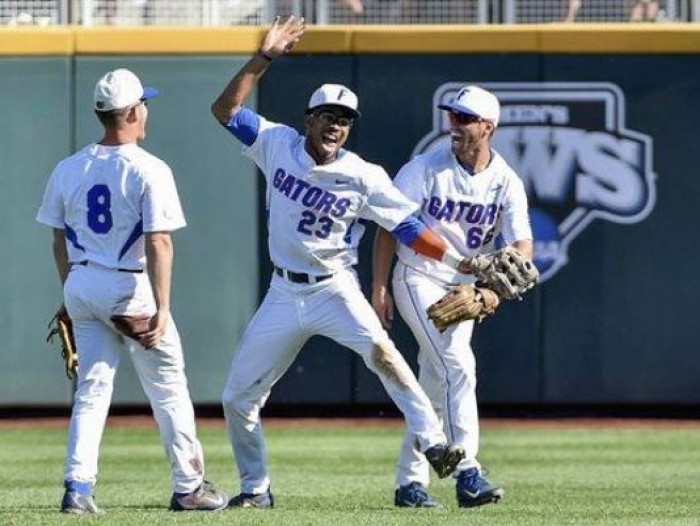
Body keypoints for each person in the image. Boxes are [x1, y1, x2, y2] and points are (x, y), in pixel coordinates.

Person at [211, 16, 473, 508]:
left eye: (344, 119)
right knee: (236, 398)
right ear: (307, 119)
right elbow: (225, 110)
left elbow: (409, 228)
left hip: (335, 287)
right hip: (285, 292)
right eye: (327, 115)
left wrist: (463, 262)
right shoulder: (276, 143)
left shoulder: (364, 175)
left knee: (386, 356)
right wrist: (263, 57)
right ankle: (256, 488)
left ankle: (435, 442)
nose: (335, 125)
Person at [36, 68, 228, 514]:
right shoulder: (149, 168)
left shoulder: (69, 167)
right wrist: (163, 308)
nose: (148, 110)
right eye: (145, 103)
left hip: (82, 281)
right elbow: (159, 242)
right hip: (129, 285)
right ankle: (189, 487)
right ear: (133, 111)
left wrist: (71, 292)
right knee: (168, 389)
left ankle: (78, 488)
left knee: (92, 389)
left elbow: (57, 237)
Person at [373, 85, 534, 508]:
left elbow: (522, 246)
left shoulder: (506, 182)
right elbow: (390, 225)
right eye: (453, 117)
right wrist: (380, 285)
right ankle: (468, 473)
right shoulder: (425, 168)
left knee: (435, 380)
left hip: (465, 289)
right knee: (458, 365)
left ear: (488, 127)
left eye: (465, 119)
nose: (455, 126)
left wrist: (490, 292)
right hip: (417, 277)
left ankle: (410, 484)